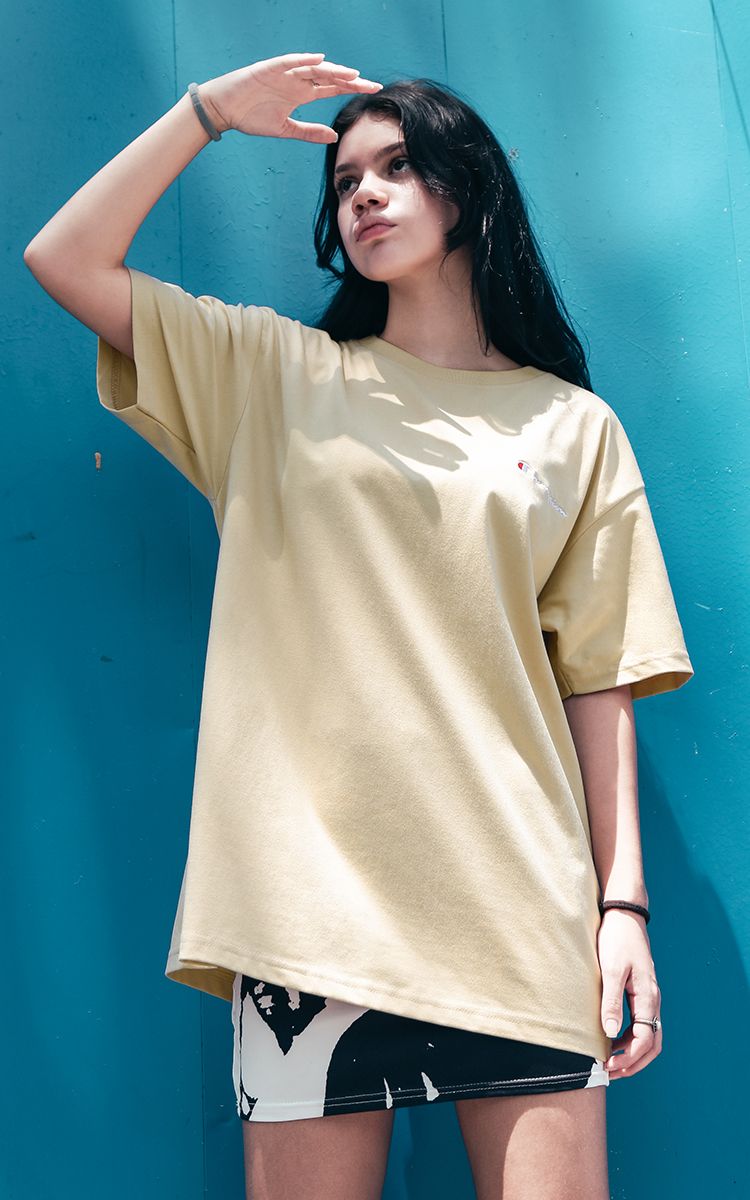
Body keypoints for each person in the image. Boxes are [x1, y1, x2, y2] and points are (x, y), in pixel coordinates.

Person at [24, 51, 694, 1200]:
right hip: (306, 922)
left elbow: (601, 677)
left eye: (396, 168)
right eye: (345, 182)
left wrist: (620, 908)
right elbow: (64, 258)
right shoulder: (272, 379)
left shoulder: (573, 427)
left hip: (515, 910)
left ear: (466, 188)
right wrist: (206, 114)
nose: (365, 194)